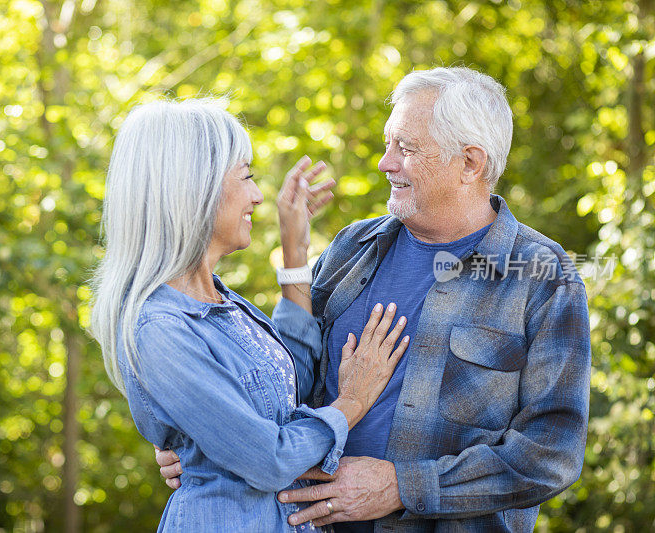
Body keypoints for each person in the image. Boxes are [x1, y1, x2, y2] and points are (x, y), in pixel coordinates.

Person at [157, 68, 592, 531]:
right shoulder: (352, 248)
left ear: (470, 163)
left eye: (405, 148)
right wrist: (207, 432)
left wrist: (401, 486)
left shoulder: (544, 275)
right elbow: (287, 380)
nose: (385, 163)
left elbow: (551, 454)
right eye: (389, 144)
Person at [89, 99, 411, 532]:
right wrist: (352, 401)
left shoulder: (218, 303)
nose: (258, 196)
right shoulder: (160, 328)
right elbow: (270, 459)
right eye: (246, 177)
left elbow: (286, 375)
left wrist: (294, 245)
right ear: (192, 188)